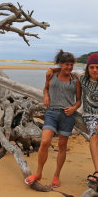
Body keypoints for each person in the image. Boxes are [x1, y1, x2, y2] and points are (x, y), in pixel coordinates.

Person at [46, 53, 98, 187]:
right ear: (87, 68)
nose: (94, 70)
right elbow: (65, 69)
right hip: (89, 114)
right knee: (94, 135)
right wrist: (52, 70)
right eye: (92, 67)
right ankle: (97, 171)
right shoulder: (82, 76)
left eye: (97, 67)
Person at [24, 50, 81, 188]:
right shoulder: (51, 75)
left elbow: (78, 101)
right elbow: (45, 89)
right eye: (66, 64)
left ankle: (56, 176)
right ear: (60, 64)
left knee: (62, 146)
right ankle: (38, 173)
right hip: (51, 113)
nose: (69, 67)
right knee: (45, 142)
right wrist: (46, 96)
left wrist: (73, 109)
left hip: (67, 116)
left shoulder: (75, 80)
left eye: (71, 64)